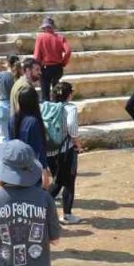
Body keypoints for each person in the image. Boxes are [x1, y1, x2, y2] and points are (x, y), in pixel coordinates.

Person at [47, 81, 82, 224]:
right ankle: (67, 215)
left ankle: (40, 207)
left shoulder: (47, 106)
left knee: (58, 179)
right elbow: (72, 129)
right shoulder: (70, 108)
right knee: (67, 182)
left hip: (50, 150)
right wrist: (78, 145)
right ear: (69, 94)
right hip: (65, 150)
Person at [11, 87, 53, 191]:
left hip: (16, 166)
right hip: (32, 170)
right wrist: (44, 170)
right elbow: (38, 149)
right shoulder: (33, 122)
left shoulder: (12, 120)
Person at [33, 17, 71, 102]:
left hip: (45, 69)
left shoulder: (40, 38)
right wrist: (63, 63)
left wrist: (37, 69)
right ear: (52, 27)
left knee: (45, 95)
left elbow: (36, 57)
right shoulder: (60, 38)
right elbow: (68, 51)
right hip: (58, 68)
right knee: (57, 94)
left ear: (44, 27)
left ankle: (47, 109)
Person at [0, 55, 21, 143]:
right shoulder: (18, 77)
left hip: (2, 106)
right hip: (15, 106)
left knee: (4, 137)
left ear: (7, 63)